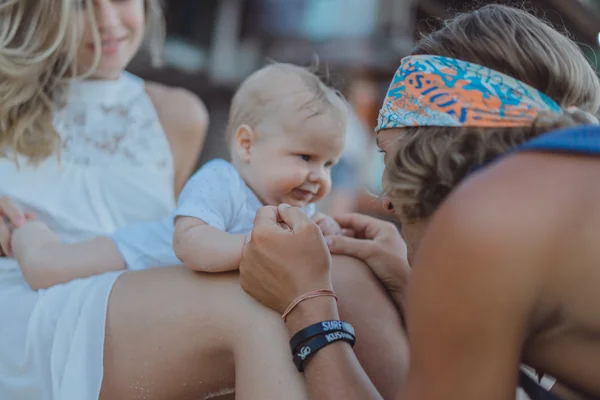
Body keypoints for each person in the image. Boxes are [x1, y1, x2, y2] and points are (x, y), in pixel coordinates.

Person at [0, 1, 407, 399]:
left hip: (138, 289)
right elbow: (187, 239)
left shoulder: (178, 113)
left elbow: (180, 230)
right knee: (264, 308)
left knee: (349, 276)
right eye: (81, 4)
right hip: (31, 301)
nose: (107, 20)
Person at [237, 4, 600, 400]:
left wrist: (307, 304)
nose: (387, 202)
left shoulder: (488, 218)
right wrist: (417, 287)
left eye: (389, 157)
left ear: (433, 150)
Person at [10, 63, 346, 286]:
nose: (318, 176)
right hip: (133, 254)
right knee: (48, 269)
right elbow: (191, 244)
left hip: (161, 292)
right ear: (246, 145)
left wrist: (322, 231)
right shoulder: (220, 181)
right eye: (306, 157)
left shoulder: (296, 204)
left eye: (329, 164)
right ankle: (30, 234)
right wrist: (256, 246)